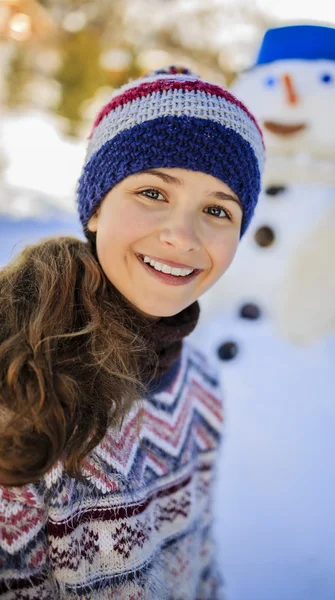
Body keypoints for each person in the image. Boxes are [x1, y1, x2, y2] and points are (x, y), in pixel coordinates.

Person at [0, 66, 264, 599]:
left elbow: (198, 556)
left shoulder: (201, 384)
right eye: (153, 192)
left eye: (217, 209)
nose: (182, 236)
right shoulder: (21, 390)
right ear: (96, 207)